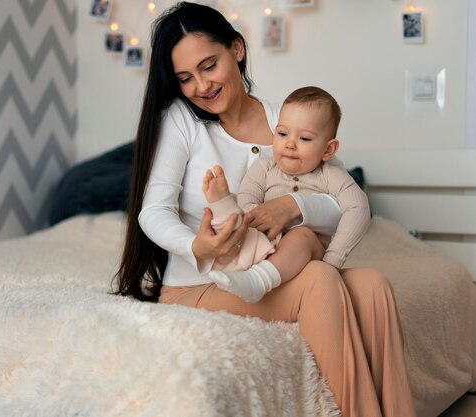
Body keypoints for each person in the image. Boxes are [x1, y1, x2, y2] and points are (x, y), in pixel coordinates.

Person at [115, 3, 416, 417]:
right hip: (203, 284)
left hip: (275, 272)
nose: (201, 85)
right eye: (186, 78)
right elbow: (153, 212)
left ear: (236, 50)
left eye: (209, 65)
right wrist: (196, 245)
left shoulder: (283, 121)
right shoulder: (182, 121)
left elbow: (340, 203)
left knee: (374, 286)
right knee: (319, 279)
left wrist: (292, 205)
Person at [203, 86, 371, 303]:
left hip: (309, 254)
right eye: (282, 134)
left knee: (301, 236)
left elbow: (359, 207)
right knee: (241, 220)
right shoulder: (264, 168)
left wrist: (332, 260)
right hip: (265, 248)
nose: (290, 144)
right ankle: (223, 205)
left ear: (328, 150)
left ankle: (259, 281)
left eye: (305, 139)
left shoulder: (331, 174)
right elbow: (248, 203)